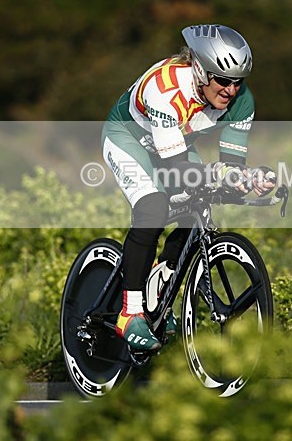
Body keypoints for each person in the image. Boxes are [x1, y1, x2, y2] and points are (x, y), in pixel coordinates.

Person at [101, 24, 275, 351]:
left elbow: (231, 166)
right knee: (152, 208)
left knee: (202, 202)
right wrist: (220, 175)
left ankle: (160, 283)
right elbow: (179, 171)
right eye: (223, 80)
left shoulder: (241, 101)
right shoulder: (165, 89)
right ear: (199, 69)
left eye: (238, 82)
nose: (231, 91)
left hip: (175, 144)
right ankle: (130, 312)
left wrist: (248, 181)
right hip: (128, 139)